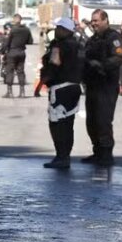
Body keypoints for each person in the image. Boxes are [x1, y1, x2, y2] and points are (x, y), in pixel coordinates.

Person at [40, 16, 85, 169]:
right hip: (74, 88)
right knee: (68, 123)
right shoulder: (78, 46)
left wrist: (45, 78)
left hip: (60, 88)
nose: (56, 31)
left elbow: (54, 64)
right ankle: (65, 156)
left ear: (64, 30)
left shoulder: (59, 46)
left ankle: (61, 156)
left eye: (58, 28)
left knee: (57, 123)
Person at [81, 9, 122, 166]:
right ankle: (97, 152)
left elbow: (119, 57)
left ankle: (106, 154)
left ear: (105, 20)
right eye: (92, 21)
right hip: (92, 86)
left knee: (103, 120)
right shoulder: (92, 39)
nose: (94, 23)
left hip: (106, 85)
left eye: (97, 20)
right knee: (91, 121)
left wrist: (101, 65)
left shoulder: (114, 37)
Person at [0, 13, 33, 99]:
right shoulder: (26, 29)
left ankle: (9, 92)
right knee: (20, 71)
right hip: (22, 52)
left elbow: (7, 42)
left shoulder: (13, 30)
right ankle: (22, 93)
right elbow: (30, 41)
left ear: (15, 20)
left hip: (12, 52)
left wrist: (2, 51)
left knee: (10, 71)